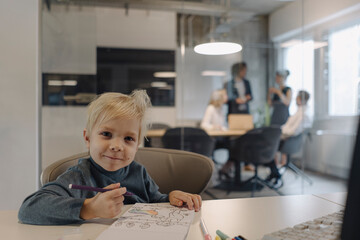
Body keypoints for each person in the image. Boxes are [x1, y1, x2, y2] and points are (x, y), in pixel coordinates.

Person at [18, 90, 202, 225]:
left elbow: (155, 201)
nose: (116, 146)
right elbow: (29, 208)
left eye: (128, 139)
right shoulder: (79, 176)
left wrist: (170, 198)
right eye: (106, 134)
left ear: (137, 146)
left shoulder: (139, 172)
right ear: (88, 138)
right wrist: (88, 208)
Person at [265, 90, 312, 189]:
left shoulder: (304, 114)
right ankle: (274, 173)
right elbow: (288, 127)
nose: (295, 99)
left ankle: (275, 174)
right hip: (286, 137)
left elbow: (294, 131)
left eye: (297, 97)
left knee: (266, 147)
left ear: (300, 99)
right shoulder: (299, 111)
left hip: (289, 141)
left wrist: (280, 133)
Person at [223, 62, 254, 171]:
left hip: (245, 114)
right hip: (234, 114)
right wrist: (236, 100)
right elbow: (227, 99)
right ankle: (231, 163)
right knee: (234, 141)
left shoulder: (247, 83)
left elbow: (251, 96)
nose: (244, 72)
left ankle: (246, 163)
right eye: (242, 70)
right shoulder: (229, 83)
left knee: (246, 139)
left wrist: (245, 99)